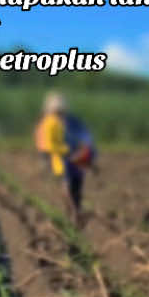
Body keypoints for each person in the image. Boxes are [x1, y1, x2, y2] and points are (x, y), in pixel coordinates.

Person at [34, 91, 97, 225]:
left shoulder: (73, 122)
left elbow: (87, 140)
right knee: (66, 187)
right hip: (60, 160)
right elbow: (45, 145)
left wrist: (86, 155)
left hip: (76, 160)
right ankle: (73, 213)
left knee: (76, 187)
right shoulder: (47, 123)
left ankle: (76, 213)